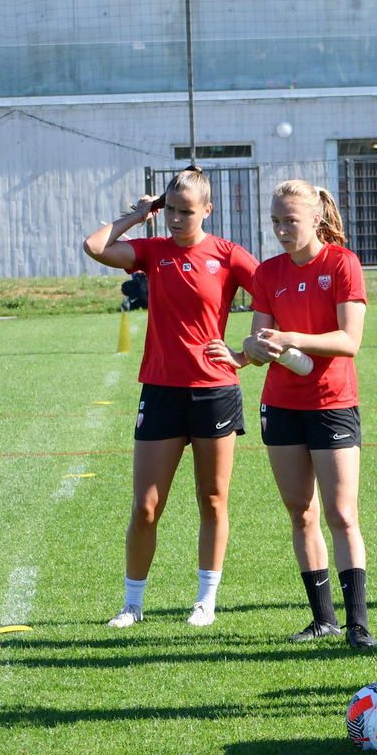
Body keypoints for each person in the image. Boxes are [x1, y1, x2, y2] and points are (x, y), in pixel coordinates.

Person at [84, 166, 259, 629]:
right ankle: (132, 604)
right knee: (146, 507)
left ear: (207, 210)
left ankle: (206, 601)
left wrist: (245, 354)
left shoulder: (227, 254)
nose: (177, 220)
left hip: (215, 390)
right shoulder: (154, 250)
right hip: (161, 391)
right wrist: (140, 216)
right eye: (171, 210)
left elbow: (274, 293)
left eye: (187, 212)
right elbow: (95, 246)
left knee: (213, 499)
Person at [204, 180, 375, 647]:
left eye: (290, 221)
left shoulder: (342, 263)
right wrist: (247, 350)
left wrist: (292, 338)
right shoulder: (268, 273)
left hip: (332, 403)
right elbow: (261, 342)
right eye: (276, 221)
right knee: (301, 512)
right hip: (280, 406)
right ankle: (323, 619)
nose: (281, 230)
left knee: (342, 514)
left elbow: (349, 341)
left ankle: (358, 624)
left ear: (315, 220)